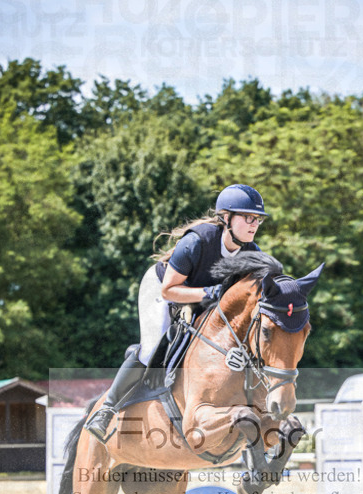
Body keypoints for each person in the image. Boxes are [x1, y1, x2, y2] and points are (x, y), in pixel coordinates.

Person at [85, 183, 269, 443]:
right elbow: (170, 290)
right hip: (163, 289)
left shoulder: (253, 254)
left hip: (204, 300)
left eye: (258, 219)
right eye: (248, 217)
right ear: (226, 218)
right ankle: (107, 409)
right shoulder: (197, 241)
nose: (254, 224)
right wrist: (208, 293)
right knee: (150, 349)